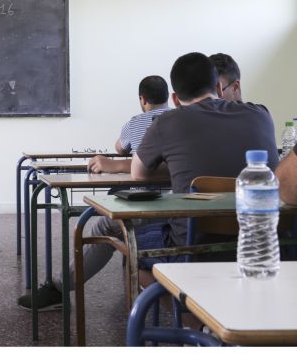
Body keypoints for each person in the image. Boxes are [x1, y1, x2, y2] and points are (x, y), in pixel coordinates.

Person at [18, 52, 278, 312]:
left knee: (113, 233)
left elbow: (139, 173)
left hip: (191, 245)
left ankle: (198, 322)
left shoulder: (168, 121)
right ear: (219, 88)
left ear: (175, 98)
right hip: (264, 244)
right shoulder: (262, 114)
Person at [87, 75, 170, 174]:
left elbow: (120, 149)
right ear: (168, 96)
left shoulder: (134, 123)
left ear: (143, 99)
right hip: (177, 181)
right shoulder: (180, 118)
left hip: (141, 180)